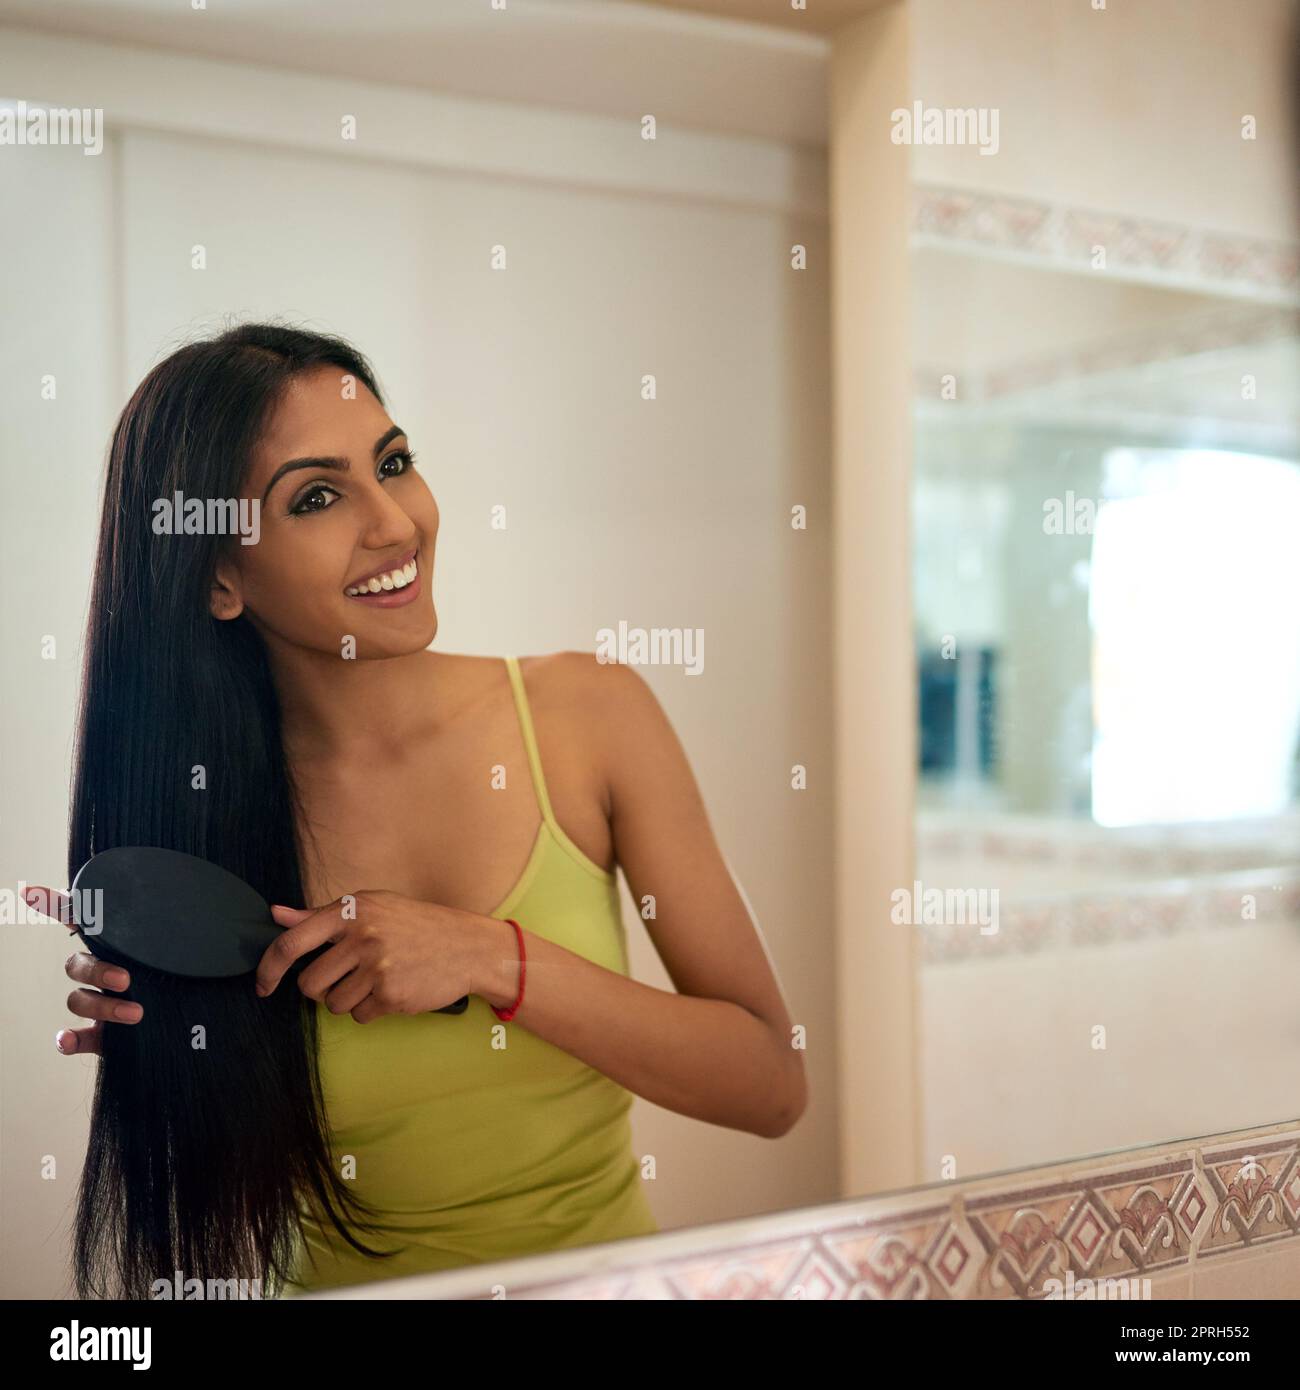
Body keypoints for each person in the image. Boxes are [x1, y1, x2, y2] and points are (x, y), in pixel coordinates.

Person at [30, 322, 806, 1295]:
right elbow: (213, 1204)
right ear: (217, 576)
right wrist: (180, 1051)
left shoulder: (586, 715)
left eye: (392, 463)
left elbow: (773, 1083)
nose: (394, 522)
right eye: (317, 496)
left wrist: (494, 956)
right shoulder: (205, 822)